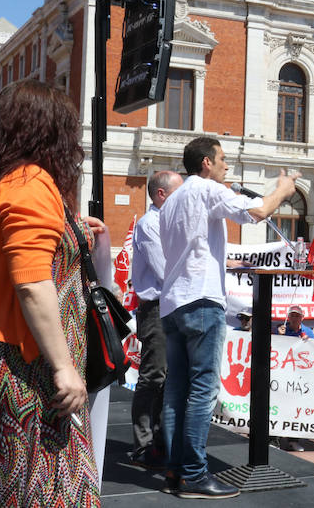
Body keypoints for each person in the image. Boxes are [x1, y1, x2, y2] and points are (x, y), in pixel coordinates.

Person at [0, 81, 101, 505]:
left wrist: (71, 227)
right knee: (39, 483)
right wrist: (64, 367)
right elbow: (33, 284)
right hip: (24, 361)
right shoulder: (30, 184)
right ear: (50, 132)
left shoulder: (4, 181)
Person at [159, 137, 298, 499]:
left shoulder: (171, 200)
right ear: (206, 163)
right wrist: (281, 191)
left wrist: (224, 262)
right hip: (202, 302)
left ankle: (175, 473)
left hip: (173, 303)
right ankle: (194, 474)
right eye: (222, 159)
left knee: (176, 391)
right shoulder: (207, 189)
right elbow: (258, 213)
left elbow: (192, 247)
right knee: (202, 391)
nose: (226, 166)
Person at [129, 170, 183, 470]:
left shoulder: (170, 224)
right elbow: (166, 270)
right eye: (178, 192)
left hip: (172, 305)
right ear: (161, 194)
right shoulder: (150, 225)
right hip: (156, 307)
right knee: (153, 376)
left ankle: (160, 440)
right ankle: (143, 443)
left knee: (168, 376)